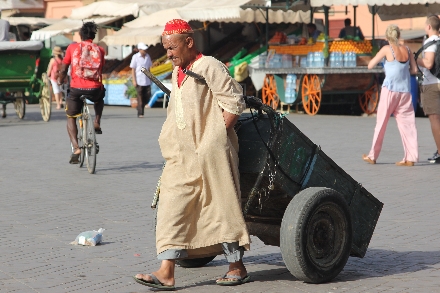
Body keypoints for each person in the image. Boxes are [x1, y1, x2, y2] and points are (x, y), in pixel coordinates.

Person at [133, 19, 251, 290]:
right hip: (181, 155)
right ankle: (166, 271)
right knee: (171, 205)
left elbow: (234, 102)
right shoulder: (177, 73)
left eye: (172, 47)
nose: (169, 54)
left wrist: (213, 140)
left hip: (212, 153)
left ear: (189, 42)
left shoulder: (209, 65)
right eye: (165, 48)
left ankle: (237, 266)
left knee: (220, 206)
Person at [363, 24, 418, 166]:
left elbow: (370, 65)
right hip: (405, 92)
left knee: (381, 123)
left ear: (387, 37)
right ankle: (411, 158)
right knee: (408, 125)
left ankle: (373, 156)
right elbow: (414, 70)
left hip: (390, 91)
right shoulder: (407, 49)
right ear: (399, 36)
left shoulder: (386, 49)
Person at [58, 22, 106, 164]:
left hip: (76, 89)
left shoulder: (72, 48)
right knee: (100, 98)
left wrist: (60, 79)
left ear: (80, 35)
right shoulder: (100, 50)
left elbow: (64, 67)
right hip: (95, 88)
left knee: (71, 116)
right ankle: (97, 122)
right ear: (94, 35)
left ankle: (76, 148)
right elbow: (101, 68)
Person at [417, 15, 440, 163]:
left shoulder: (430, 42)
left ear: (429, 27)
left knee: (435, 119)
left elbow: (429, 63)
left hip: (431, 83)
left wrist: (413, 58)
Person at [130, 42, 152, 117]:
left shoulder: (147, 56)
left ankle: (140, 106)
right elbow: (133, 69)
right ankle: (140, 112)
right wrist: (134, 80)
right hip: (139, 79)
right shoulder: (135, 57)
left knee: (147, 95)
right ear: (139, 50)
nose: (145, 51)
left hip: (147, 79)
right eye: (143, 49)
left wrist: (150, 77)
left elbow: (149, 68)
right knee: (140, 96)